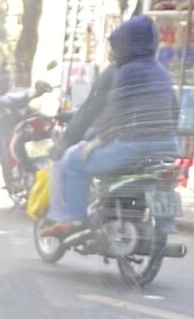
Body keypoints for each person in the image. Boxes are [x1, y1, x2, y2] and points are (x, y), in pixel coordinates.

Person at [46, 12, 180, 226]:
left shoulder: (124, 71)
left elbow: (115, 112)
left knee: (74, 163)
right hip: (168, 147)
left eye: (115, 47)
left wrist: (95, 139)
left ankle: (76, 221)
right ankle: (165, 225)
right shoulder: (161, 71)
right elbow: (174, 111)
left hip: (134, 146)